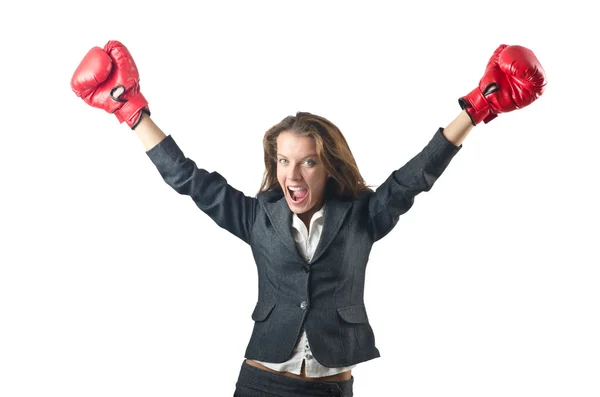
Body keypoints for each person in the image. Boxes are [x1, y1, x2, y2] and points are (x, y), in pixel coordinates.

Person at [71, 41, 546, 397]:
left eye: (307, 162)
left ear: (329, 166)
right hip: (261, 381)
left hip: (330, 387)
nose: (291, 175)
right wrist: (131, 111)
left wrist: (475, 109)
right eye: (282, 161)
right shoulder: (258, 217)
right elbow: (189, 179)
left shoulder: (362, 217)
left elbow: (413, 178)